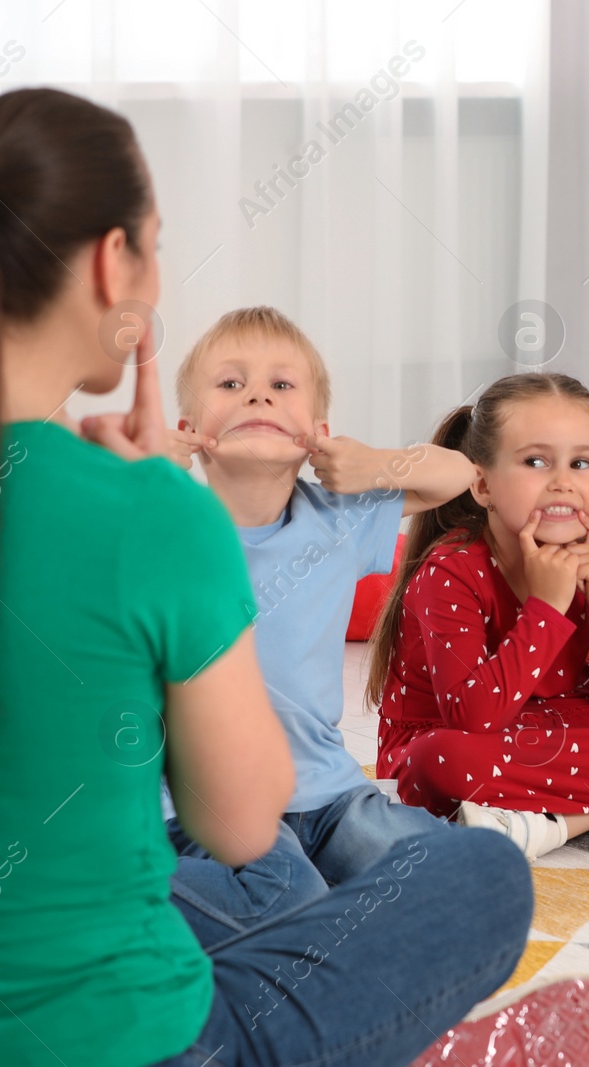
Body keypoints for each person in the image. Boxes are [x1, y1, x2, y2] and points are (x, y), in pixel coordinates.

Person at [0, 87, 589, 1067]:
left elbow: (451, 473)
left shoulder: (219, 509)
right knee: (464, 880)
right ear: (109, 264)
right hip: (147, 1041)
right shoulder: (161, 515)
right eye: (157, 247)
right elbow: (241, 818)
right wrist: (137, 512)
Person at [158, 306, 473, 941]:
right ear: (191, 431)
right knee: (285, 899)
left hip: (327, 794)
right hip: (209, 806)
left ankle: (295, 913)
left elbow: (462, 476)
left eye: (281, 385)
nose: (257, 394)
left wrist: (376, 464)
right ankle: (104, 890)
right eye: (231, 383)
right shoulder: (162, 522)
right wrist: (135, 473)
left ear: (317, 430)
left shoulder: (339, 517)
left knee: (467, 871)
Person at [370, 373, 589, 860]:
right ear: (482, 484)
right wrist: (544, 609)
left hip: (541, 727)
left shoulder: (588, 557)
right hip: (449, 737)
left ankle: (551, 821)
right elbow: (472, 718)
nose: (562, 482)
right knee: (442, 761)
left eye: (581, 463)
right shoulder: (450, 571)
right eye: (535, 462)